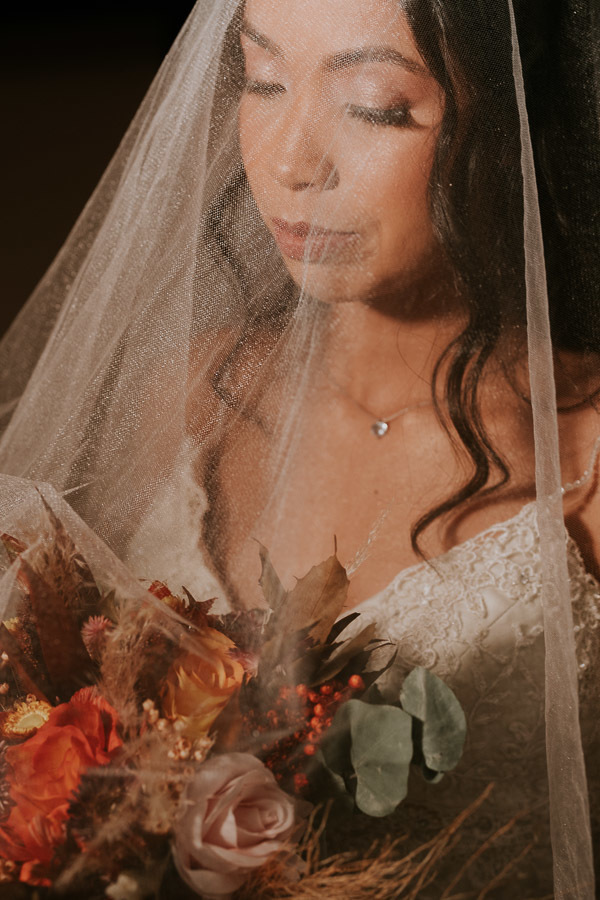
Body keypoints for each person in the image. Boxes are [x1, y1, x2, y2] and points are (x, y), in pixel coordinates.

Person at [0, 0, 597, 895]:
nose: (288, 162)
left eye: (373, 107)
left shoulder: (588, 460)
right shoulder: (184, 399)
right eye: (264, 80)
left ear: (513, 125)